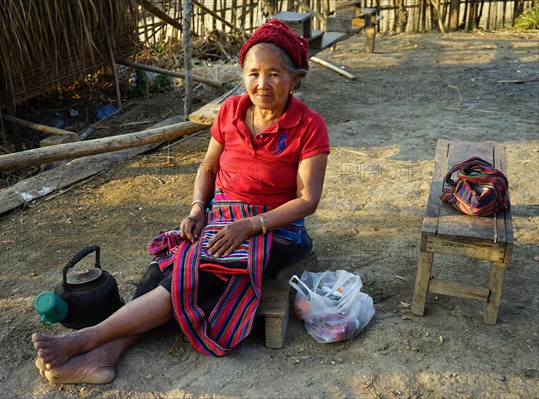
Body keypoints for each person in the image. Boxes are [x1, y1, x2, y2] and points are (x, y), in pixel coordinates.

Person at [31, 18, 329, 384]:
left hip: (275, 228)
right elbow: (207, 167)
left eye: (274, 74)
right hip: (223, 216)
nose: (261, 85)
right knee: (168, 264)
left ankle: (85, 339)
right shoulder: (231, 112)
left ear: (295, 78)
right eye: (253, 74)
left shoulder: (309, 125)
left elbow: (307, 200)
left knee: (202, 268)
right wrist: (197, 210)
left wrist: (249, 226)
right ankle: (104, 356)